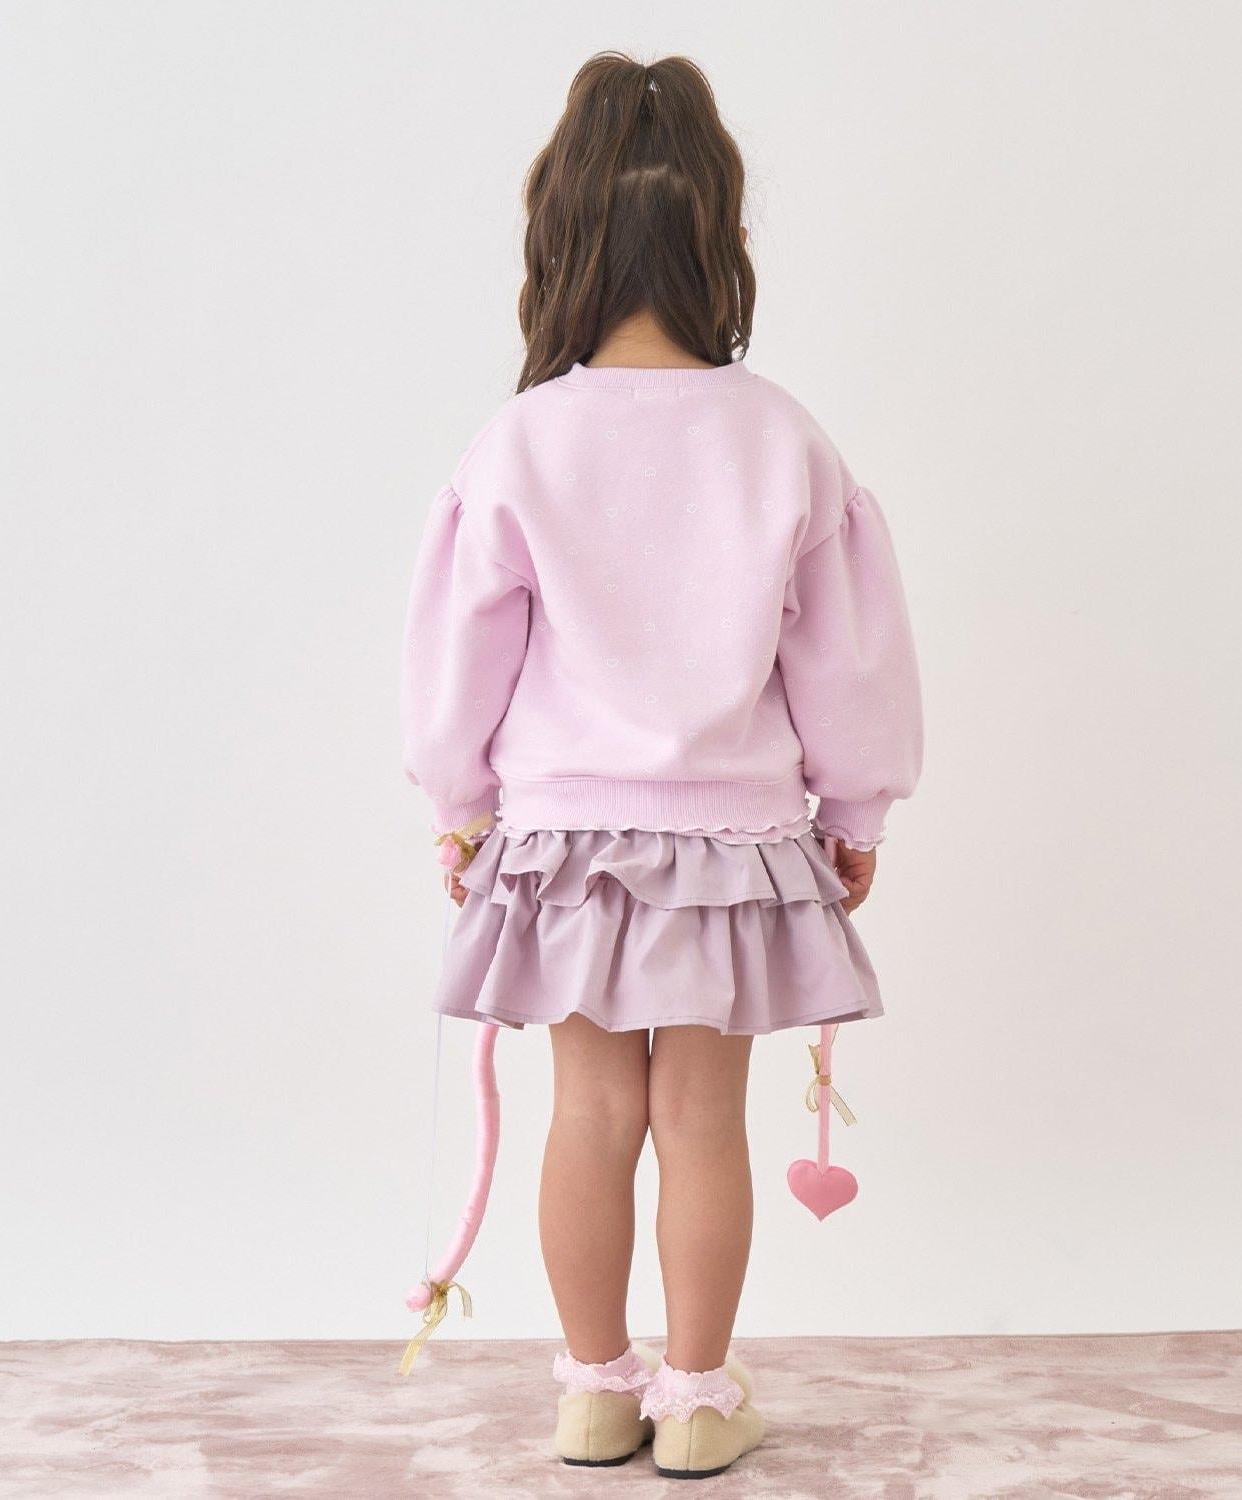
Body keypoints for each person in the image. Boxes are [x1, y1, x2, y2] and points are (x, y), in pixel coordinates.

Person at [401, 51, 922, 1480]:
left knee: (588, 1113)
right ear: (721, 239)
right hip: (734, 844)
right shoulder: (782, 438)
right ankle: (694, 1401)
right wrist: (855, 810)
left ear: (558, 234)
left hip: (564, 844)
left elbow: (459, 659)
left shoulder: (520, 441)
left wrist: (461, 809)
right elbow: (847, 658)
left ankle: (591, 1393)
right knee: (703, 1120)